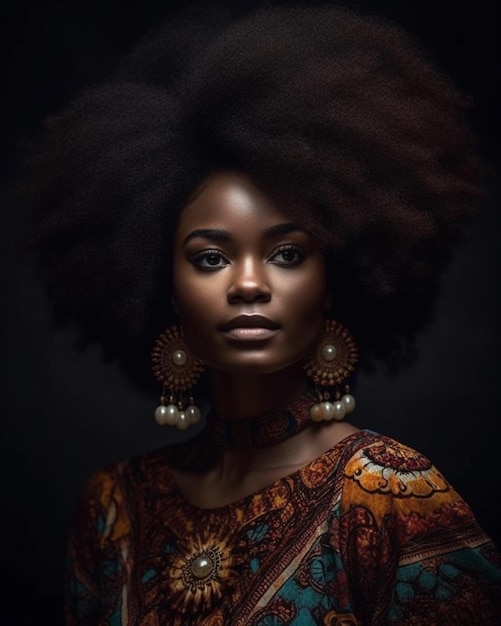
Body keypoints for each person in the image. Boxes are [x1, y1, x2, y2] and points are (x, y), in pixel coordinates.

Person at [19, 3, 501, 624]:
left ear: (332, 283)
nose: (248, 284)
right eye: (212, 258)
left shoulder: (388, 496)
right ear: (163, 288)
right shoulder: (112, 508)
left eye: (286, 253)